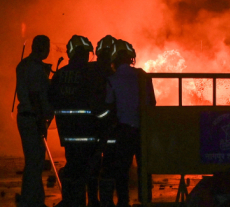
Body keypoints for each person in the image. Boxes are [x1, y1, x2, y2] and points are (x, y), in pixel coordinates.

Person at [49, 35, 102, 206]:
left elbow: (51, 99)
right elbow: (99, 100)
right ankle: (92, 201)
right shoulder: (90, 73)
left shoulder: (60, 74)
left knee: (73, 165)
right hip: (88, 131)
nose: (88, 57)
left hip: (67, 132)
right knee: (92, 168)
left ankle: (74, 201)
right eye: (87, 53)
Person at [102, 40, 156, 207]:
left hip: (123, 130)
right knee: (144, 167)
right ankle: (145, 199)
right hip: (143, 130)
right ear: (130, 58)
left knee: (122, 169)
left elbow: (109, 104)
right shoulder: (143, 76)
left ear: (114, 58)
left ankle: (123, 201)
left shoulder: (111, 79)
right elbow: (152, 103)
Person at [16, 35, 54, 207]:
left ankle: (32, 198)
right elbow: (38, 96)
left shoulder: (23, 65)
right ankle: (31, 201)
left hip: (25, 117)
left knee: (33, 161)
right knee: (35, 163)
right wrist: (43, 118)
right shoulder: (36, 68)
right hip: (33, 118)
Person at [87, 35, 117, 207]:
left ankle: (92, 200)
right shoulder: (113, 74)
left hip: (90, 126)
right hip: (109, 126)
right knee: (108, 165)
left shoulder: (89, 71)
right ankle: (106, 200)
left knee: (93, 163)